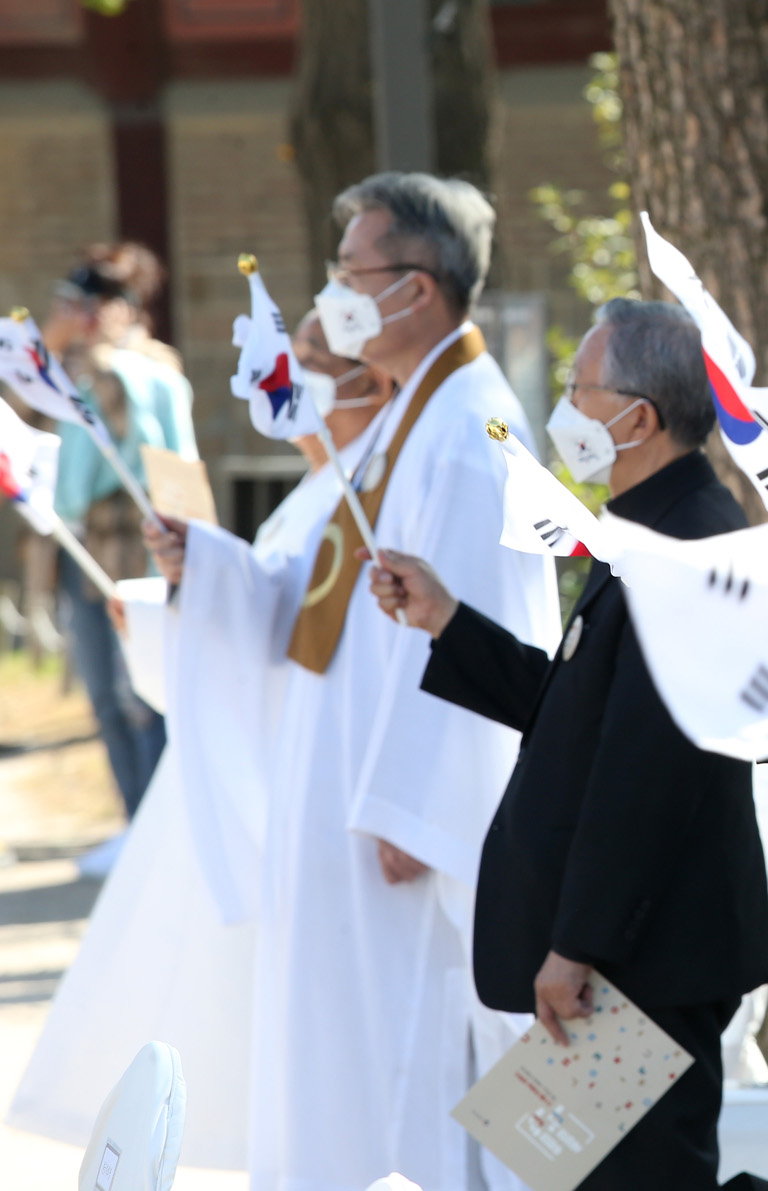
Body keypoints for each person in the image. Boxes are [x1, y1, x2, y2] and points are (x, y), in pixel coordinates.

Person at [143, 171, 558, 1191]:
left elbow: (479, 635)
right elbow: (324, 601)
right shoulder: (403, 421)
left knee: (408, 1052)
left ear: (416, 289)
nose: (330, 297)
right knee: (344, 1045)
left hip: (398, 821)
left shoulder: (465, 434)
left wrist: (421, 808)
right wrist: (210, 566)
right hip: (344, 791)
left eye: (348, 274)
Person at [365, 298, 768, 1189]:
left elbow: (648, 777)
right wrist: (446, 621)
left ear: (638, 417)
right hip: (628, 951)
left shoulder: (693, 544)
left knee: (644, 1179)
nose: (564, 407)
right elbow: (581, 709)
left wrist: (577, 944)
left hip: (643, 956)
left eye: (579, 388)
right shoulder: (649, 525)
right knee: (584, 1175)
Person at [8, 320, 395, 1168]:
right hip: (275, 764)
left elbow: (296, 633)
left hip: (317, 783)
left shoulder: (365, 492)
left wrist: (196, 584)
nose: (284, 391)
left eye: (310, 371)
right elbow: (269, 610)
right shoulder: (320, 490)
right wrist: (170, 597)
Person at [39, 242, 197, 876]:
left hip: (133, 543)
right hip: (109, 541)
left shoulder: (133, 372)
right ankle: (139, 825)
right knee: (111, 693)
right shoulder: (98, 370)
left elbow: (94, 472)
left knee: (137, 693)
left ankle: (157, 828)